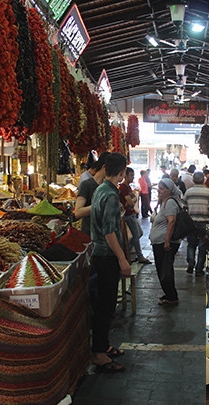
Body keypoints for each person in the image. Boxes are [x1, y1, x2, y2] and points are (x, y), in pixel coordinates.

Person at [89, 152, 131, 373]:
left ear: (105, 168)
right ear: (122, 172)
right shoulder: (111, 196)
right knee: (105, 306)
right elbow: (109, 232)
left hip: (98, 254)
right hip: (106, 256)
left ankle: (103, 345)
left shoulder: (100, 190)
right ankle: (99, 354)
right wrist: (122, 259)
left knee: (103, 305)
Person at [149, 178, 183, 305]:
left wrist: (167, 240)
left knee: (165, 270)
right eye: (159, 188)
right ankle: (169, 293)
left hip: (164, 243)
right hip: (160, 242)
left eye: (162, 189)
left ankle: (171, 296)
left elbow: (171, 221)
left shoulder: (170, 203)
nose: (159, 190)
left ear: (169, 191)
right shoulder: (165, 202)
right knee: (163, 269)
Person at [183, 171, 209, 277]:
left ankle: (191, 261)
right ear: (204, 180)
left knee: (191, 244)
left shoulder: (188, 192)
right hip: (204, 222)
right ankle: (199, 269)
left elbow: (184, 207)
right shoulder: (208, 192)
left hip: (191, 223)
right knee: (203, 246)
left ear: (193, 180)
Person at [119, 167, 151, 265]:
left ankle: (126, 252)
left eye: (133, 175)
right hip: (128, 215)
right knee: (136, 234)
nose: (133, 177)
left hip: (131, 213)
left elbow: (133, 200)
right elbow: (131, 202)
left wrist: (131, 201)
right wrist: (131, 201)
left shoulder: (128, 187)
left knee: (139, 233)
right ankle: (139, 255)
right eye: (131, 175)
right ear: (125, 176)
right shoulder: (123, 188)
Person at [74, 151, 109, 236]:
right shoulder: (86, 185)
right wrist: (101, 205)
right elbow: (78, 212)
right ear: (104, 167)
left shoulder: (107, 186)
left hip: (103, 234)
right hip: (89, 234)